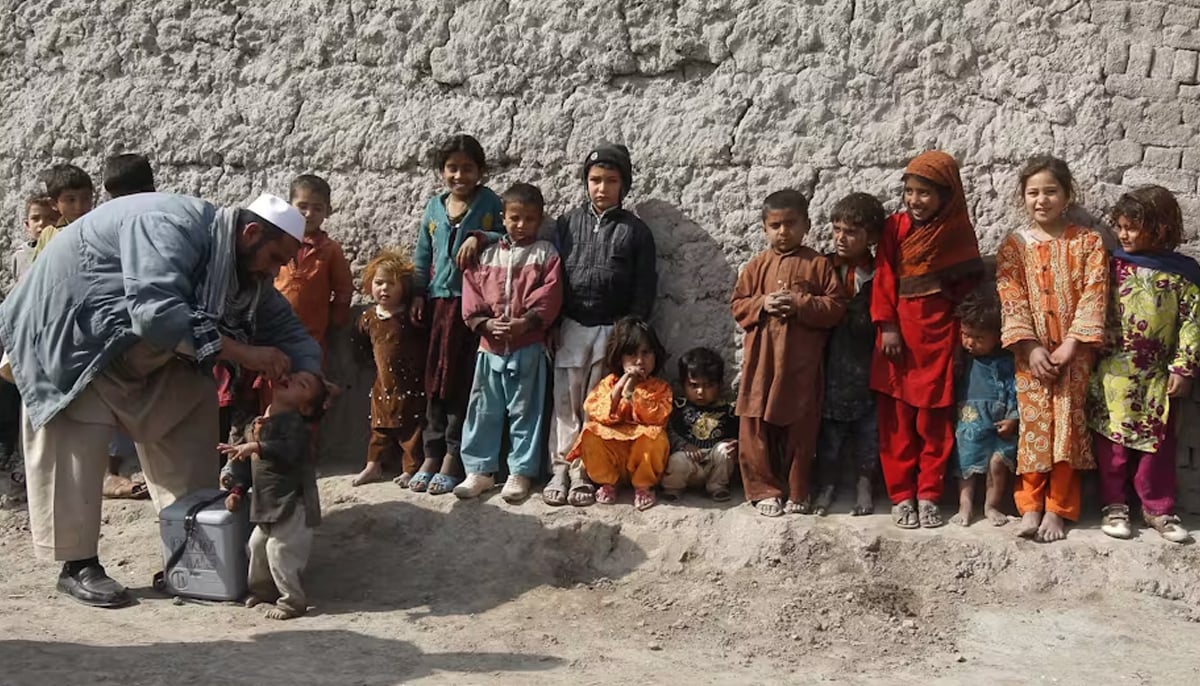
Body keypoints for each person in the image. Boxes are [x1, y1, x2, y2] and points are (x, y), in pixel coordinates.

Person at [0, 191, 322, 608]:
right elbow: (155, 313)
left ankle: (192, 546)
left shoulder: (243, 273)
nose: (275, 272)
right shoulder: (170, 224)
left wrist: (310, 376)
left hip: (142, 349)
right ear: (251, 233)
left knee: (190, 404)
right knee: (74, 440)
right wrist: (245, 353)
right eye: (275, 258)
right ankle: (77, 565)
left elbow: (286, 330)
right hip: (77, 334)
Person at [996, 155, 1107, 543]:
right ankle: (1029, 505)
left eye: (1050, 191)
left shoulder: (1088, 242)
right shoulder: (1014, 246)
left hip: (1074, 357)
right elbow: (1011, 298)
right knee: (1035, 429)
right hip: (1031, 357)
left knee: (1067, 430)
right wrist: (1030, 347)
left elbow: (1095, 294)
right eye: (1032, 193)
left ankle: (1059, 509)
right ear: (1023, 198)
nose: (1041, 200)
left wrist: (1072, 345)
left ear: (1067, 195)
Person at [871, 150, 983, 529]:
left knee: (935, 421)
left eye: (924, 194)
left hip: (939, 339)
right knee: (897, 422)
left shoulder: (957, 233)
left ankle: (930, 493)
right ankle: (901, 494)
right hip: (897, 339)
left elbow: (967, 290)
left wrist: (961, 332)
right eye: (909, 192)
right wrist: (887, 325)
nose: (915, 201)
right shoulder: (896, 228)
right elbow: (885, 276)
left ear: (946, 196)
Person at [543, 142, 658, 507]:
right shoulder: (567, 224)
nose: (601, 188)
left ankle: (586, 473)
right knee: (566, 402)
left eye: (611, 180)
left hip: (612, 330)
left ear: (623, 186)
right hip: (573, 326)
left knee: (599, 405)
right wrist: (554, 321)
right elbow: (553, 275)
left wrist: (629, 335)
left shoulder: (635, 231)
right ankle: (560, 467)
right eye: (595, 180)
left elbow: (644, 287)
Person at [1088, 185, 1199, 544]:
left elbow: (1192, 321)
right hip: (1114, 373)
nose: (1123, 235)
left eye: (1131, 228)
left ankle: (1158, 507)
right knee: (1113, 446)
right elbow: (1093, 304)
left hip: (1158, 376)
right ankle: (1115, 505)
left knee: (1158, 447)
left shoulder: (1183, 274)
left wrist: (1184, 368)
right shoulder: (1112, 265)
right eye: (1119, 227)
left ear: (1161, 229)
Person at [732, 189, 846, 517]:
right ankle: (765, 489)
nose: (783, 232)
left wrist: (800, 303)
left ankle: (797, 490)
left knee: (801, 424)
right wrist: (763, 303)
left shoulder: (818, 265)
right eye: (775, 225)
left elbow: (836, 306)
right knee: (755, 422)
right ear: (765, 228)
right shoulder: (756, 266)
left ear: (806, 225)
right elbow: (738, 304)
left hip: (800, 364)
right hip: (761, 362)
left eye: (791, 224)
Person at [454, 183, 563, 503]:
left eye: (530, 219)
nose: (521, 225)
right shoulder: (485, 253)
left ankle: (521, 472)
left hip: (527, 345)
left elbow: (551, 293)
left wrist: (526, 322)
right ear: (503, 217)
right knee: (483, 409)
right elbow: (471, 289)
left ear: (540, 220)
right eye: (515, 217)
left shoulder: (545, 253)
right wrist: (484, 323)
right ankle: (480, 470)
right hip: (489, 347)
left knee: (525, 411)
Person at [410, 134, 505, 495]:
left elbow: (506, 234)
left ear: (480, 171)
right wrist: (419, 293)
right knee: (435, 380)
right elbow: (422, 253)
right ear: (441, 172)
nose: (459, 175)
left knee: (462, 382)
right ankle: (431, 454)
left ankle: (454, 455)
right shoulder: (434, 207)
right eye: (452, 168)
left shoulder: (488, 202)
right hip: (439, 305)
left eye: (467, 168)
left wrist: (480, 236)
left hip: (472, 308)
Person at [219, 369, 328, 620]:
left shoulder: (296, 425)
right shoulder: (256, 424)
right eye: (294, 377)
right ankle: (263, 592)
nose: (292, 380)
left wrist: (256, 446)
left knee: (280, 551)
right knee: (256, 546)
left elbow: (289, 450)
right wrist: (237, 489)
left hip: (295, 503)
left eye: (303, 384)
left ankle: (292, 602)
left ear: (306, 408)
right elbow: (246, 467)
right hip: (268, 505)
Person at [813, 192, 886, 517]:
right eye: (837, 229)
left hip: (868, 365)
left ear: (870, 237)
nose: (841, 238)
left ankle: (864, 484)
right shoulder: (824, 267)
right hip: (832, 366)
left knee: (868, 434)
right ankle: (826, 485)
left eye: (851, 232)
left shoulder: (879, 274)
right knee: (830, 436)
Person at [100, 153, 159, 501]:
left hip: (142, 323)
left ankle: (141, 471)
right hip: (121, 324)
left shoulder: (154, 219)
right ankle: (111, 472)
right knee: (117, 400)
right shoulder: (106, 224)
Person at [568, 317, 671, 510]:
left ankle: (643, 486)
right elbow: (597, 411)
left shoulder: (660, 387)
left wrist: (633, 393)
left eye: (646, 353)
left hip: (641, 458)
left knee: (656, 437)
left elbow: (656, 418)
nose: (639, 361)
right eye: (631, 354)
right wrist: (622, 386)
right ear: (620, 357)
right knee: (590, 433)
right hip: (615, 455)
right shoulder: (609, 382)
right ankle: (609, 482)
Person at [350, 249, 428, 487]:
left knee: (410, 432)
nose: (384, 289)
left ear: (403, 287)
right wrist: (368, 365)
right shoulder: (369, 318)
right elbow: (359, 343)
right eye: (378, 283)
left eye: (391, 284)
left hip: (411, 385)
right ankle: (373, 465)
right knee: (379, 429)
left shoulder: (410, 317)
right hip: (382, 385)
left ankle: (410, 469)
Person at [950, 283, 1018, 527]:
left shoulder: (1006, 361)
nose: (970, 343)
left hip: (1000, 422)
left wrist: (1013, 417)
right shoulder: (962, 359)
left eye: (979, 338)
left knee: (997, 464)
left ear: (997, 337)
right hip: (969, 420)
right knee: (966, 462)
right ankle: (965, 505)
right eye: (966, 335)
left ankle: (992, 505)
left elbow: (1015, 388)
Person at [274, 174, 354, 363]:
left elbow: (344, 289)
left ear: (328, 211)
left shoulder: (330, 250)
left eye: (317, 208)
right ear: (289, 206)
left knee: (307, 382)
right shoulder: (277, 243)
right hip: (273, 330)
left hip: (312, 336)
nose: (309, 214)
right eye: (302, 206)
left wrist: (334, 321)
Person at [660, 347, 737, 502]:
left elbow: (738, 432)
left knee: (725, 451)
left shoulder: (728, 409)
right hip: (689, 461)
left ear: (719, 385)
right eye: (694, 385)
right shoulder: (679, 407)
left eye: (708, 386)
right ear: (683, 385)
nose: (701, 391)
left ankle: (717, 487)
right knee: (677, 460)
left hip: (713, 464)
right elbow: (669, 431)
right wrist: (684, 446)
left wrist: (735, 443)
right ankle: (673, 488)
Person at [32, 163, 94, 259]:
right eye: (71, 200)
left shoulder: (98, 229)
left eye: (86, 198)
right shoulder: (49, 235)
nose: (79, 206)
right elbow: (38, 269)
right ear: (54, 204)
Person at [11, 196, 59, 284]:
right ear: (27, 225)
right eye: (35, 219)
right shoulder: (20, 256)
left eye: (51, 218)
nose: (42, 223)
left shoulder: (65, 251)